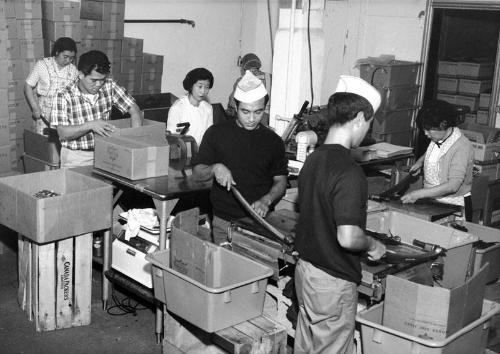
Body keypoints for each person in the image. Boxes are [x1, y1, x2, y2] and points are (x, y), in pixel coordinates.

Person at [293, 75, 386, 353]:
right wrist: (373, 243)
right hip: (331, 283)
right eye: (368, 124)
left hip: (306, 271)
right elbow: (348, 237)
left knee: (306, 344)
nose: (365, 132)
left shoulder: (313, 159)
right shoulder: (349, 171)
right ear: (359, 118)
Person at [192, 70, 288, 245]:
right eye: (245, 111)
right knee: (224, 269)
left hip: (260, 223)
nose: (252, 118)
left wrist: (267, 200)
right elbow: (197, 174)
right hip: (224, 222)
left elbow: (280, 181)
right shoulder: (216, 134)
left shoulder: (273, 141)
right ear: (235, 107)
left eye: (258, 112)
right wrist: (215, 168)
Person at [50, 50, 142, 168]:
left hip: (105, 152)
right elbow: (63, 133)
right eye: (93, 80)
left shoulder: (110, 86)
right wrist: (90, 125)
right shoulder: (63, 95)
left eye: (102, 79)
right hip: (77, 158)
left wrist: (134, 139)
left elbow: (134, 109)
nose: (99, 84)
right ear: (81, 74)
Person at [401, 99, 474, 209]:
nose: (426, 134)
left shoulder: (462, 147)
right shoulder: (439, 137)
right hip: (433, 199)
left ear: (443, 124)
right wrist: (420, 163)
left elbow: (453, 186)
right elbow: (434, 152)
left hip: (453, 204)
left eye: (429, 130)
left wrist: (418, 194)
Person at [24, 37, 79, 135]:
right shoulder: (42, 65)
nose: (68, 61)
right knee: (44, 144)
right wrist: (35, 107)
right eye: (65, 56)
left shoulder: (74, 71)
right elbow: (28, 86)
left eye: (71, 58)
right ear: (57, 52)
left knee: (60, 145)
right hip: (44, 114)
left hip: (64, 116)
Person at [167, 68, 214, 146]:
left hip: (203, 152)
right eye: (200, 86)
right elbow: (172, 138)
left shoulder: (208, 108)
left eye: (207, 87)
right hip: (183, 153)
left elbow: (210, 135)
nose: (203, 91)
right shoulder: (178, 108)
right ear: (191, 86)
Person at [226, 53, 271, 124]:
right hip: (270, 118)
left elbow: (232, 103)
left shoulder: (241, 80)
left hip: (250, 117)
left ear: (244, 69)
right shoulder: (270, 77)